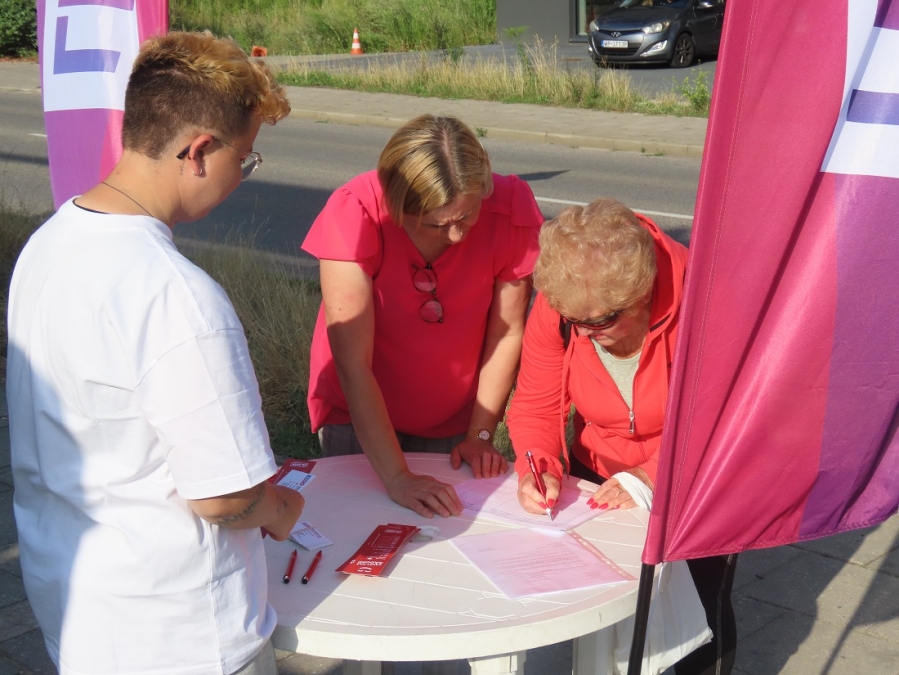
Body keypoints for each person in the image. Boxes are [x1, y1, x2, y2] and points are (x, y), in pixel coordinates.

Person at [7, 32, 305, 675]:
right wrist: (283, 509)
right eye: (245, 158)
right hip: (184, 637)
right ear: (198, 151)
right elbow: (224, 497)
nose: (242, 176)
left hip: (81, 611)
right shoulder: (177, 295)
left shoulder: (49, 243)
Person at [507, 198, 737, 675]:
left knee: (697, 614)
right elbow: (536, 402)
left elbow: (728, 419)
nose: (584, 335)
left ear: (642, 293)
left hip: (695, 477)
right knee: (604, 606)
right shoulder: (566, 304)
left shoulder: (708, 300)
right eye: (575, 322)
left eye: (600, 322)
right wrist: (539, 465)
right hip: (600, 473)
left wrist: (649, 476)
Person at [302, 114, 544, 519]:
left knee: (443, 528)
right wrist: (397, 477)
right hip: (358, 413)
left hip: (454, 419)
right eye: (435, 224)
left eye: (467, 215)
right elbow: (352, 362)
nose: (457, 235)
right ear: (397, 207)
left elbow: (506, 334)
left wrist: (480, 434)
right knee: (356, 527)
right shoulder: (356, 212)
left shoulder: (510, 209)